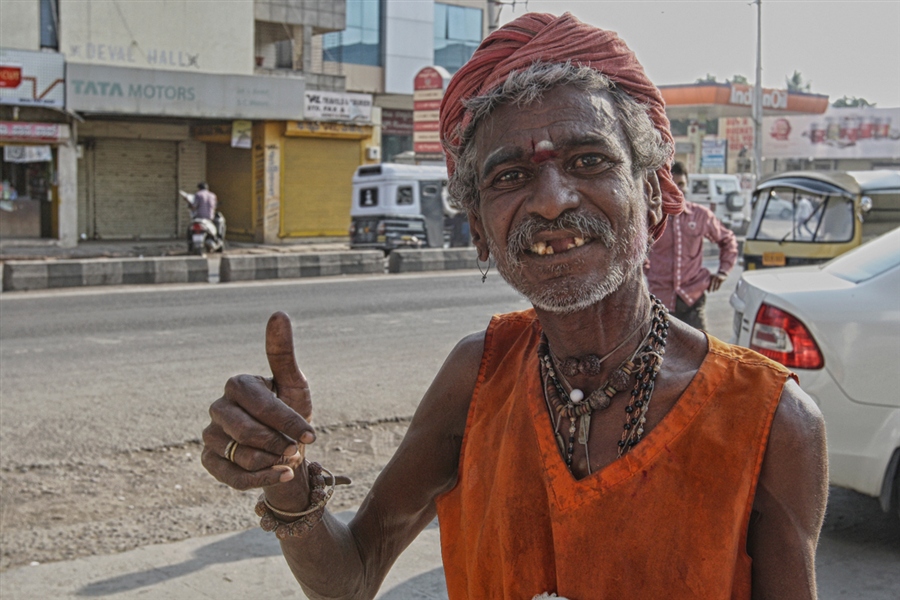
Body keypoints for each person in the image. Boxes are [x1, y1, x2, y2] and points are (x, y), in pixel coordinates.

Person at [201, 13, 827, 600]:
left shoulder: (771, 421)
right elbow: (353, 576)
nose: (552, 200)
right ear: (479, 229)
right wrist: (286, 483)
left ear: (656, 194)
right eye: (511, 177)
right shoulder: (476, 377)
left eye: (590, 161)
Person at [644, 162, 738, 330]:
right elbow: (636, 248)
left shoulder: (700, 215)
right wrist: (647, 268)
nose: (676, 189)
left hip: (693, 298)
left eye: (681, 184)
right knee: (658, 352)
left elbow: (727, 240)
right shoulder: (652, 218)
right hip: (660, 299)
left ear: (686, 185)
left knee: (702, 353)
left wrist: (723, 272)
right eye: (672, 183)